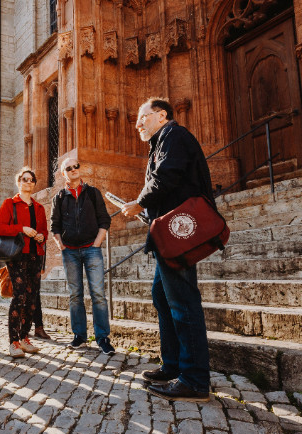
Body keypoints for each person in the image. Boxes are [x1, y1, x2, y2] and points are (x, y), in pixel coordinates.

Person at [122, 97, 212, 403]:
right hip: (168, 231)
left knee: (183, 301)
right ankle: (173, 365)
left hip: (177, 233)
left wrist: (139, 202)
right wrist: (146, 210)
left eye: (142, 117)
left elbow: (166, 176)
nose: (138, 123)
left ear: (161, 115)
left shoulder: (173, 135)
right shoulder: (164, 139)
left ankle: (194, 380)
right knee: (162, 296)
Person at [51, 157, 115, 355]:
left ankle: (102, 338)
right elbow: (54, 225)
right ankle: (79, 336)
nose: (73, 169)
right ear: (64, 174)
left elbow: (104, 220)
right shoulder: (59, 197)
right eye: (68, 168)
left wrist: (97, 243)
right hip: (70, 252)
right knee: (75, 295)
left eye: (76, 166)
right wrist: (61, 245)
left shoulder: (92, 193)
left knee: (98, 294)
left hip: (91, 250)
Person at [0, 168, 48, 358]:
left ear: (34, 184)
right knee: (19, 296)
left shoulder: (39, 207)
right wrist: (22, 229)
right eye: (24, 179)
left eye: (31, 180)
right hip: (17, 255)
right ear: (18, 182)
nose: (28, 182)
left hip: (35, 255)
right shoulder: (9, 203)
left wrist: (42, 236)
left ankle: (25, 337)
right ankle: (14, 341)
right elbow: (0, 228)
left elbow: (44, 230)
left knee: (32, 298)